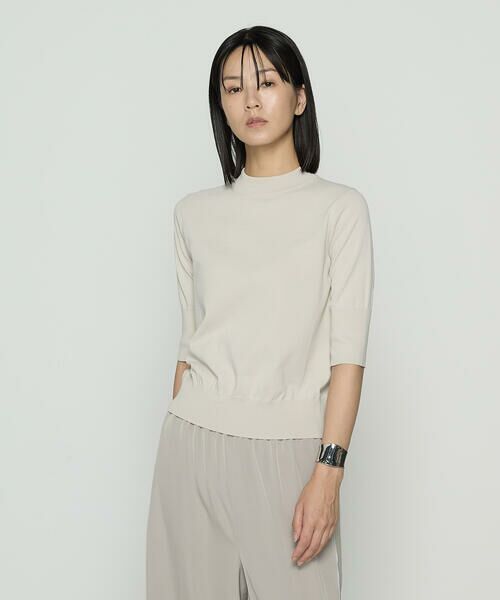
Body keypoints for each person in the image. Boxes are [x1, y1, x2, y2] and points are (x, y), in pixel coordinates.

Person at [146, 25, 375, 600]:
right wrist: (178, 442)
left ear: (299, 98)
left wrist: (329, 472)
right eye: (233, 88)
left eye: (267, 83)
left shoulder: (340, 209)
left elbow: (348, 358)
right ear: (220, 106)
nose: (250, 100)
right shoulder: (192, 214)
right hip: (191, 448)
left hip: (291, 453)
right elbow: (188, 345)